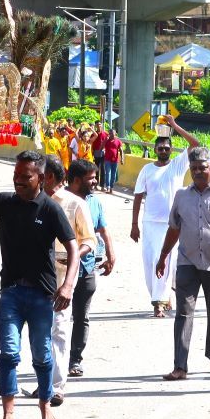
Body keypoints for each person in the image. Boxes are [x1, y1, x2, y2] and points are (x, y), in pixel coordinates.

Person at [0, 150, 78, 419]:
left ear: (41, 178)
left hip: (42, 295)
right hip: (10, 292)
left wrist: (67, 285)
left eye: (25, 176)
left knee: (42, 356)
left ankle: (45, 406)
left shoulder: (50, 209)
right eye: (16, 175)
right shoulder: (4, 202)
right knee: (8, 353)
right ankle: (8, 416)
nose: (18, 181)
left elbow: (72, 247)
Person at [156, 146, 210, 380]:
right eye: (194, 168)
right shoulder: (181, 195)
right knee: (183, 313)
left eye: (203, 167)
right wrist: (163, 256)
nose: (198, 172)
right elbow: (174, 229)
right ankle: (180, 366)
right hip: (187, 261)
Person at [131, 114, 201, 318]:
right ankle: (159, 296)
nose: (163, 150)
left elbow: (195, 143)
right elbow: (137, 197)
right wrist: (134, 224)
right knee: (151, 261)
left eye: (167, 147)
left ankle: (159, 303)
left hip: (174, 223)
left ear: (171, 149)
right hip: (151, 223)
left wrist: (174, 125)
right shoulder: (147, 169)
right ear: (155, 150)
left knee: (168, 261)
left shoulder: (178, 165)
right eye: (160, 148)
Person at [40, 155, 96, 405]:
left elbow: (89, 242)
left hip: (64, 274)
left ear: (49, 177)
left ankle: (57, 386)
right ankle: (43, 383)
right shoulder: (33, 201)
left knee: (59, 329)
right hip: (37, 274)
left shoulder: (75, 204)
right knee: (40, 330)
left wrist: (70, 256)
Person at [67, 159, 115, 378]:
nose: (95, 182)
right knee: (56, 318)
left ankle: (75, 360)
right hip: (60, 269)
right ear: (76, 180)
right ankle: (50, 359)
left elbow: (103, 229)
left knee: (81, 316)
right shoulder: (60, 201)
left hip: (87, 267)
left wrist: (111, 255)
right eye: (91, 179)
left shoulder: (94, 202)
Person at [102, 127, 124, 193]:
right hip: (107, 159)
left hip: (115, 160)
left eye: (112, 133)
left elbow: (121, 150)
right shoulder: (106, 140)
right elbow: (101, 147)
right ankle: (108, 187)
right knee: (107, 173)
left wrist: (122, 159)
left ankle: (111, 187)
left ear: (115, 134)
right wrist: (105, 140)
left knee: (113, 174)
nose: (111, 134)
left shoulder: (118, 141)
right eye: (110, 133)